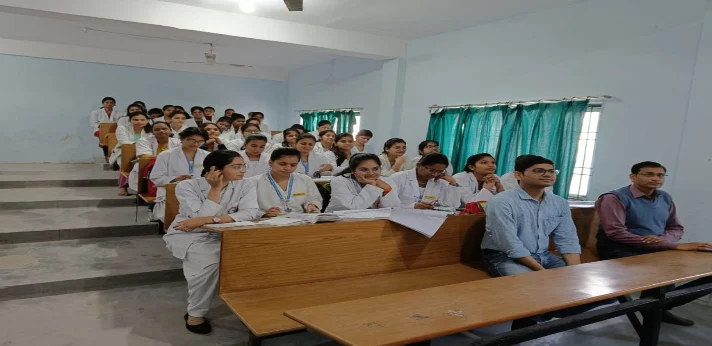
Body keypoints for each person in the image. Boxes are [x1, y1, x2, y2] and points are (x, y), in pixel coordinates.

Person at [482, 155, 604, 329]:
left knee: (584, 287)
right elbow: (510, 244)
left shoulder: (558, 202)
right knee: (536, 287)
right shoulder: (502, 201)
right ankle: (534, 320)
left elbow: (567, 237)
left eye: (551, 171)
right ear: (518, 175)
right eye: (538, 171)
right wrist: (542, 273)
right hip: (504, 256)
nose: (547, 175)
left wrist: (574, 271)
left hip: (543, 255)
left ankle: (540, 316)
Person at [596, 161, 712, 326]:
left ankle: (658, 307)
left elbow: (676, 227)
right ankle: (655, 309)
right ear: (633, 177)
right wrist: (671, 246)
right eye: (648, 174)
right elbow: (615, 233)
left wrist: (665, 242)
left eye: (660, 175)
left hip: (656, 249)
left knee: (701, 267)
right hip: (621, 250)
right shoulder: (613, 198)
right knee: (665, 266)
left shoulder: (664, 197)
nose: (655, 178)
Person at [164, 150, 259, 335]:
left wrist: (215, 220)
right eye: (237, 167)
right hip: (191, 234)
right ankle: (195, 313)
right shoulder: (186, 186)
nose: (243, 171)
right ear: (215, 169)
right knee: (211, 261)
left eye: (243, 166)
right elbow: (200, 219)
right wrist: (215, 189)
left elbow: (250, 212)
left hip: (230, 232)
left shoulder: (246, 184)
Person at [150, 127, 210, 223]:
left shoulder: (207, 155)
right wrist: (174, 179)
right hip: (172, 191)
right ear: (182, 139)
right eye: (191, 140)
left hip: (199, 191)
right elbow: (156, 177)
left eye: (200, 141)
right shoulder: (166, 155)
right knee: (173, 218)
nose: (195, 144)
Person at [249, 148, 323, 217]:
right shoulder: (254, 182)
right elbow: (247, 207)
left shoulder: (305, 179)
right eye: (282, 164)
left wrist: (312, 205)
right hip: (268, 223)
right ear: (270, 163)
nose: (288, 168)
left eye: (293, 165)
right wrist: (263, 214)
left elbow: (315, 199)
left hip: (300, 221)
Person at [326, 153, 401, 212]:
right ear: (353, 171)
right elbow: (354, 208)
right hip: (339, 221)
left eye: (375, 169)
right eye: (364, 170)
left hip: (373, 220)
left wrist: (387, 190)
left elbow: (393, 208)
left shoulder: (387, 181)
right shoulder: (339, 181)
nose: (371, 173)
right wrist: (372, 185)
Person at [391, 153, 461, 209]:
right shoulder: (399, 177)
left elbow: (453, 205)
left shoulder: (441, 181)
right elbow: (387, 204)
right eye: (431, 170)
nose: (435, 174)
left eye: (440, 171)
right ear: (419, 165)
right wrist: (412, 206)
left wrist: (453, 183)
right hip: (400, 218)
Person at [129, 121, 181, 192]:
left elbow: (181, 155)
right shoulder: (144, 140)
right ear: (152, 132)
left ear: (170, 130)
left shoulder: (177, 141)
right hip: (150, 165)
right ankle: (148, 190)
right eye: (157, 129)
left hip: (173, 165)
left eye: (164, 129)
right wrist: (165, 158)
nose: (161, 131)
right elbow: (144, 156)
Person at [110, 111, 152, 195]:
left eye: (142, 120)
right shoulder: (122, 128)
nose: (139, 122)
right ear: (130, 120)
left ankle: (144, 187)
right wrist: (141, 145)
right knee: (125, 162)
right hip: (124, 151)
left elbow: (152, 142)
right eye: (135, 120)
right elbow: (124, 142)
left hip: (145, 151)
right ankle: (123, 186)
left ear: (147, 121)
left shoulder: (151, 129)